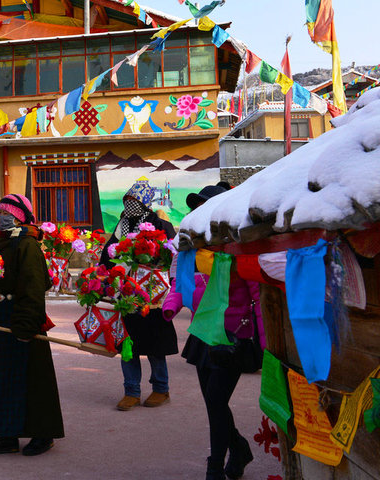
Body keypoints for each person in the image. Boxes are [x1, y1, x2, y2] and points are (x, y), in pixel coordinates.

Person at [163, 182, 263, 480]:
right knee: (213, 403)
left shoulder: (239, 249)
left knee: (217, 401)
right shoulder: (192, 249)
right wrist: (170, 306)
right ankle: (239, 448)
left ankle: (215, 466)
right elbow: (181, 286)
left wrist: (264, 342)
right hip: (204, 334)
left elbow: (257, 297)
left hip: (232, 337)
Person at [0, 193, 64, 457]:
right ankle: (6, 434)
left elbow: (34, 287)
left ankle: (43, 434)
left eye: (7, 213)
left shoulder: (28, 245)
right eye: (0, 212)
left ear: (19, 217)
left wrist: (26, 325)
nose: (2, 217)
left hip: (22, 318)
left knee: (31, 378)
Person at [100, 178, 178, 411]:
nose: (130, 205)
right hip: (126, 294)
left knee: (155, 345)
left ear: (145, 202)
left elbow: (171, 255)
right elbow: (108, 255)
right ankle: (131, 391)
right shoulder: (121, 226)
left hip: (152, 296)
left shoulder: (158, 224)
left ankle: (161, 389)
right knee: (128, 344)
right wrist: (105, 278)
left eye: (134, 200)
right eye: (127, 200)